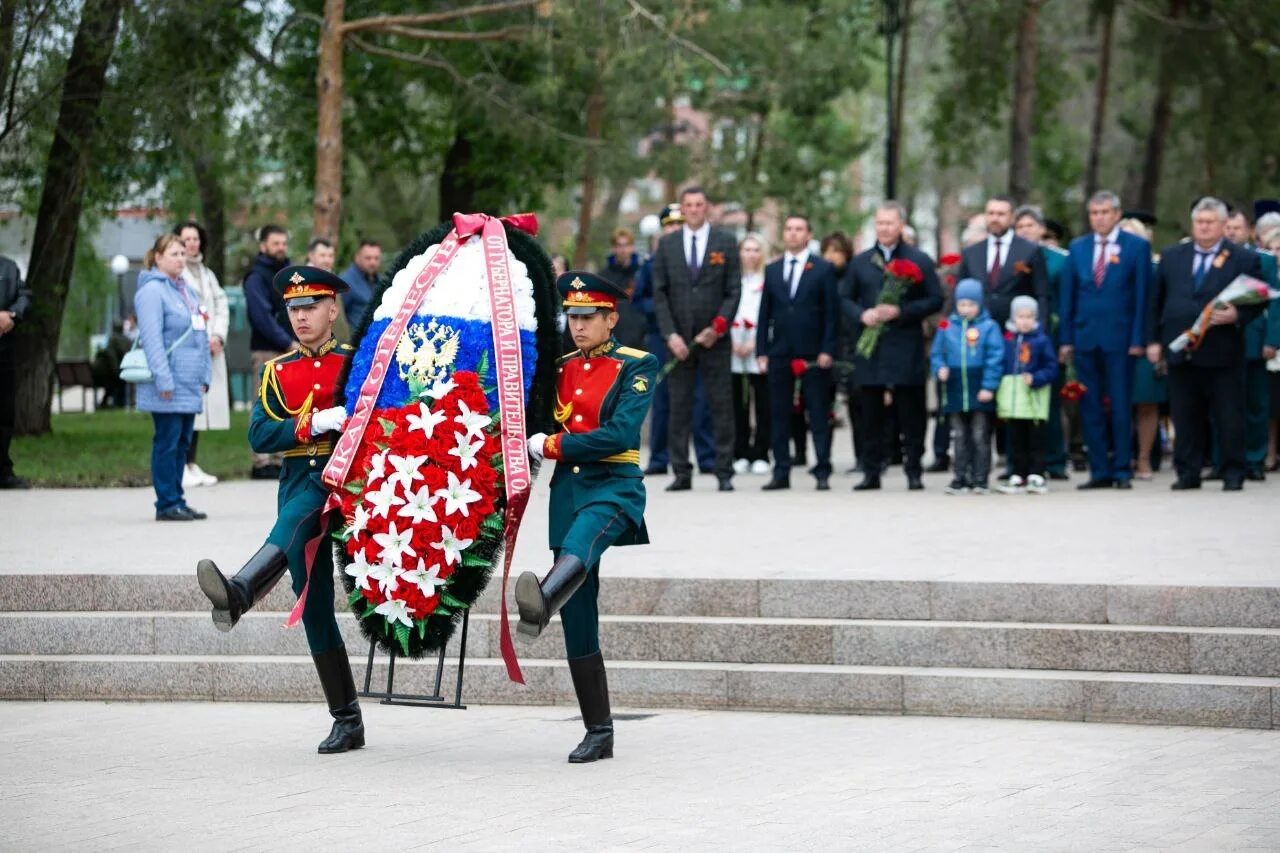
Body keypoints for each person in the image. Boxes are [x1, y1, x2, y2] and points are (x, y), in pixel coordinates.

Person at [196, 264, 363, 753]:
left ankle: (242, 590)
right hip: (296, 481)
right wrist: (312, 423)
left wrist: (342, 423)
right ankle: (347, 719)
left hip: (345, 484)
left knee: (298, 519)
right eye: (293, 309)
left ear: (333, 309)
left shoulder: (358, 364)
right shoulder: (277, 371)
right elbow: (259, 435)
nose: (301, 316)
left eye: (311, 306)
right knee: (313, 605)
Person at [522, 270, 658, 764]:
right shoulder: (558, 368)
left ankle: (542, 596)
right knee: (579, 616)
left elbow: (619, 434)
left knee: (580, 545)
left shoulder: (637, 366)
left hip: (613, 489)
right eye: (573, 317)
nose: (578, 326)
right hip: (567, 493)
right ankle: (598, 731)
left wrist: (552, 443)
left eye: (588, 317)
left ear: (611, 318)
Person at [1149, 197, 1265, 491]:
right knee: (1185, 414)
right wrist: (1154, 340)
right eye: (1199, 222)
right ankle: (1188, 472)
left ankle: (1233, 471)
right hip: (1182, 349)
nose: (1203, 227)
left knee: (1228, 415)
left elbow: (1259, 297)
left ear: (1224, 225)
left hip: (1223, 349)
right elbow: (1157, 301)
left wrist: (1238, 314)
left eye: (1210, 222)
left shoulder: (1243, 257)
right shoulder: (1173, 255)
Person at [845, 201, 944, 491]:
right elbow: (845, 299)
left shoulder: (919, 259)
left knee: (911, 410)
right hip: (871, 347)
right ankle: (872, 471)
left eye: (889, 223)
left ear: (901, 225)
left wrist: (902, 311)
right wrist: (862, 314)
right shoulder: (861, 262)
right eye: (879, 223)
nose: (884, 229)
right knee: (871, 411)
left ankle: (913, 469)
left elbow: (935, 299)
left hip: (904, 342)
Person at [1059, 190, 1151, 490]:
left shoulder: (1136, 247)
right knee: (1090, 406)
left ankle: (1122, 468)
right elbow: (1068, 296)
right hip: (1085, 337)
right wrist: (1066, 339)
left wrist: (1139, 337)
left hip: (1121, 338)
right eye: (1094, 213)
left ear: (1117, 215)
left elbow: (1142, 297)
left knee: (1121, 404)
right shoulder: (1078, 247)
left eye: (1104, 212)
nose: (1099, 218)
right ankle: (1099, 470)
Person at [651, 186, 740, 492]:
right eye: (688, 205)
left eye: (699, 204)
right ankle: (681, 472)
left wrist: (718, 327)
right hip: (679, 341)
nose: (693, 209)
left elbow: (733, 290)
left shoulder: (725, 242)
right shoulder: (667, 245)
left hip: (715, 339)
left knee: (721, 405)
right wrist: (670, 334)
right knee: (679, 406)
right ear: (682, 208)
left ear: (707, 208)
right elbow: (659, 294)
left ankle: (724, 470)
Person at [757, 215, 839, 491]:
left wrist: (828, 348)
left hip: (814, 352)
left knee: (817, 412)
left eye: (799, 229)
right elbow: (764, 313)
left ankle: (822, 470)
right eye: (789, 229)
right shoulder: (773, 269)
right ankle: (781, 471)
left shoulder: (823, 269)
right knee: (779, 414)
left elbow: (832, 314)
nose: (792, 234)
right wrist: (762, 351)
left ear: (808, 234)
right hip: (779, 351)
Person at [634, 204, 716, 476]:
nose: (674, 229)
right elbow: (641, 298)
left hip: (695, 336)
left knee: (700, 397)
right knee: (664, 398)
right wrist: (662, 313)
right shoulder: (653, 260)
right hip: (662, 336)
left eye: (678, 224)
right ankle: (659, 457)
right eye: (669, 225)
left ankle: (706, 456)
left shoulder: (697, 258)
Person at [134, 234, 212, 521]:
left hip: (190, 381)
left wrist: (205, 374)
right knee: (167, 442)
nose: (180, 259)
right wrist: (162, 379)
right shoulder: (152, 291)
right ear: (157, 257)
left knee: (182, 443)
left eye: (182, 254)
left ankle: (177, 498)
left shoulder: (186, 290)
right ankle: (166, 503)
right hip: (168, 382)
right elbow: (151, 339)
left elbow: (200, 332)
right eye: (174, 254)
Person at [1014, 205, 1071, 480]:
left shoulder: (1059, 260)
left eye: (1030, 226)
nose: (1025, 231)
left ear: (1041, 230)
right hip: (1018, 339)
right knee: (1018, 403)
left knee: (1050, 402)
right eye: (1020, 227)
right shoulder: (1013, 259)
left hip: (1051, 336)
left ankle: (1055, 461)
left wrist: (1064, 340)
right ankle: (1021, 464)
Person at [931, 278, 1003, 495]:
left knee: (980, 434)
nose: (966, 309)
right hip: (954, 388)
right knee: (959, 435)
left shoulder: (989, 327)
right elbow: (937, 352)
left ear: (980, 304)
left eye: (971, 304)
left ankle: (980, 477)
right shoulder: (946, 326)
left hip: (978, 386)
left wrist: (989, 386)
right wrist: (939, 368)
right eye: (962, 304)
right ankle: (960, 476)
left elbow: (995, 357)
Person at [1223, 208, 1279, 481]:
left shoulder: (1264, 260)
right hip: (1220, 340)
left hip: (1254, 340)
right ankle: (1223, 459)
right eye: (1228, 227)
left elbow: (1274, 301)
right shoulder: (1216, 258)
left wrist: (1272, 339)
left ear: (1249, 231)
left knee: (1256, 403)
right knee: (1223, 404)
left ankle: (1255, 459)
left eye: (1237, 227)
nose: (1232, 232)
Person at [176, 221, 230, 488]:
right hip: (190, 349)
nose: (191, 243)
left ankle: (191, 462)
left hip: (211, 346)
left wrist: (218, 335)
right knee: (189, 408)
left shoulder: (206, 273)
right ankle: (180, 464)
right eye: (186, 239)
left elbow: (221, 305)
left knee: (202, 410)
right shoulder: (176, 273)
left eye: (195, 238)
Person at [1115, 216, 1167, 481]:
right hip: (1116, 341)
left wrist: (1154, 341)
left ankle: (1145, 458)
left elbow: (1160, 307)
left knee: (1146, 403)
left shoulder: (1156, 268)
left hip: (1148, 342)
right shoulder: (1108, 267)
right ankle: (1124, 456)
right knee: (1118, 403)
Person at [244, 224, 294, 479]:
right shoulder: (256, 276)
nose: (281, 248)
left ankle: (279, 458)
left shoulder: (289, 274)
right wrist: (286, 342)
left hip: (290, 349)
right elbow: (261, 316)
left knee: (287, 405)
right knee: (265, 403)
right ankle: (260, 461)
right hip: (267, 350)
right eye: (276, 243)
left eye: (283, 243)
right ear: (263, 245)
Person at [956, 195, 1048, 328]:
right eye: (991, 213)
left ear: (1012, 218)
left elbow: (1042, 294)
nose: (995, 218)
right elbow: (960, 292)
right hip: (977, 329)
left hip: (1017, 329)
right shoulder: (971, 252)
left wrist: (1040, 329)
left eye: (1001, 214)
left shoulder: (1030, 250)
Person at [997, 296, 1059, 494]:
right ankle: (1017, 473)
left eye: (1029, 316)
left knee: (1036, 438)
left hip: (1034, 402)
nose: (1024, 321)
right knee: (1016, 439)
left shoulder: (1041, 340)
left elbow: (1051, 368)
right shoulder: (1008, 340)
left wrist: (1036, 378)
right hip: (1014, 403)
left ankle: (1037, 473)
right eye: (1020, 316)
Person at [731, 233, 771, 475]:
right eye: (746, 250)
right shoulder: (734, 281)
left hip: (759, 349)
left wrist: (756, 341)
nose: (751, 255)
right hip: (734, 350)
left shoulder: (767, 280)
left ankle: (762, 452)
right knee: (739, 404)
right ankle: (741, 451)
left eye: (756, 250)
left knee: (763, 403)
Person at [0, 253, 31, 489]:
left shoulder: (9, 267)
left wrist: (12, 314)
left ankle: (3, 470)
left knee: (4, 412)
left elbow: (24, 295)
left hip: (4, 351)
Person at [599, 228, 646, 349]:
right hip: (614, 336)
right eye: (619, 245)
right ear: (614, 248)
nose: (623, 250)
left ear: (632, 247)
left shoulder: (643, 271)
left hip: (640, 336)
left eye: (626, 245)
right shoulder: (604, 275)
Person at [339, 239, 382, 327]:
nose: (373, 262)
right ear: (357, 257)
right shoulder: (345, 281)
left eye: (376, 258)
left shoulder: (381, 281)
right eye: (368, 258)